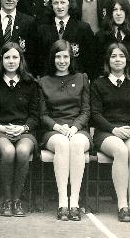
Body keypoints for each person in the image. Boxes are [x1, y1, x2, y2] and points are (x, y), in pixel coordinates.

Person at [90, 43, 130, 222]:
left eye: (121, 56)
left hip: (129, 131)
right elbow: (95, 114)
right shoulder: (98, 84)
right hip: (106, 132)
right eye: (113, 56)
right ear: (108, 60)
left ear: (126, 60)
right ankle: (122, 205)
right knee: (120, 151)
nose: (118, 59)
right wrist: (113, 129)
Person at [0, 42, 40, 217]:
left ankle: (17, 200)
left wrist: (23, 128)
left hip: (24, 132)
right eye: (7, 57)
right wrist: (1, 127)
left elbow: (35, 115)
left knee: (23, 151)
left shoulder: (30, 84)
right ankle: (7, 200)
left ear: (21, 60)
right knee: (8, 151)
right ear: (1, 60)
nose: (11, 61)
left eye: (15, 57)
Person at [39, 40, 91, 221]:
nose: (62, 60)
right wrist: (57, 127)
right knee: (62, 143)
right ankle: (62, 203)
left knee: (76, 144)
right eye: (58, 56)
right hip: (53, 130)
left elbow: (86, 110)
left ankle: (74, 203)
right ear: (53, 58)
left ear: (71, 57)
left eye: (65, 56)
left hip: (78, 129)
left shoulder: (81, 78)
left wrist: (75, 127)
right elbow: (42, 114)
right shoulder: (43, 82)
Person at [36, 0, 95, 78]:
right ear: (51, 5)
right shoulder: (42, 30)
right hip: (50, 80)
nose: (59, 6)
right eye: (56, 3)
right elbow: (39, 60)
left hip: (75, 79)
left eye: (63, 2)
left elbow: (90, 58)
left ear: (69, 4)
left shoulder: (83, 28)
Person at [95, 0, 130, 80]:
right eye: (115, 10)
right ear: (110, 12)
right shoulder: (101, 36)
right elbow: (97, 66)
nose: (118, 13)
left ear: (127, 12)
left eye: (122, 9)